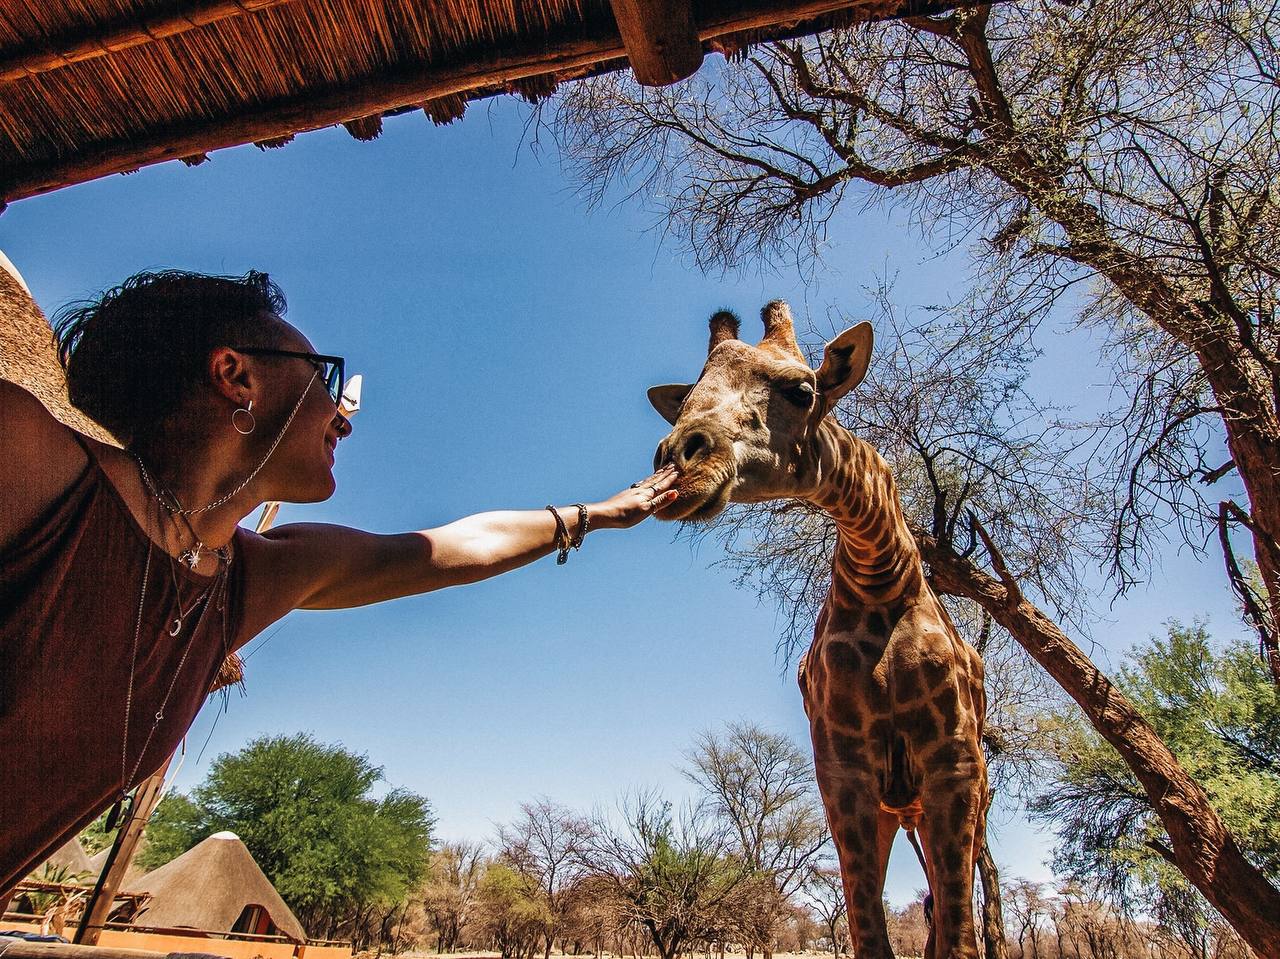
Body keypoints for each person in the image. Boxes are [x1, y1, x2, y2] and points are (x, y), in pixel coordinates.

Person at [0, 270, 679, 891]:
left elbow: (447, 548)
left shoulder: (240, 583)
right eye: (325, 379)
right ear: (236, 377)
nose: (343, 415)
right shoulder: (25, 460)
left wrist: (603, 513)